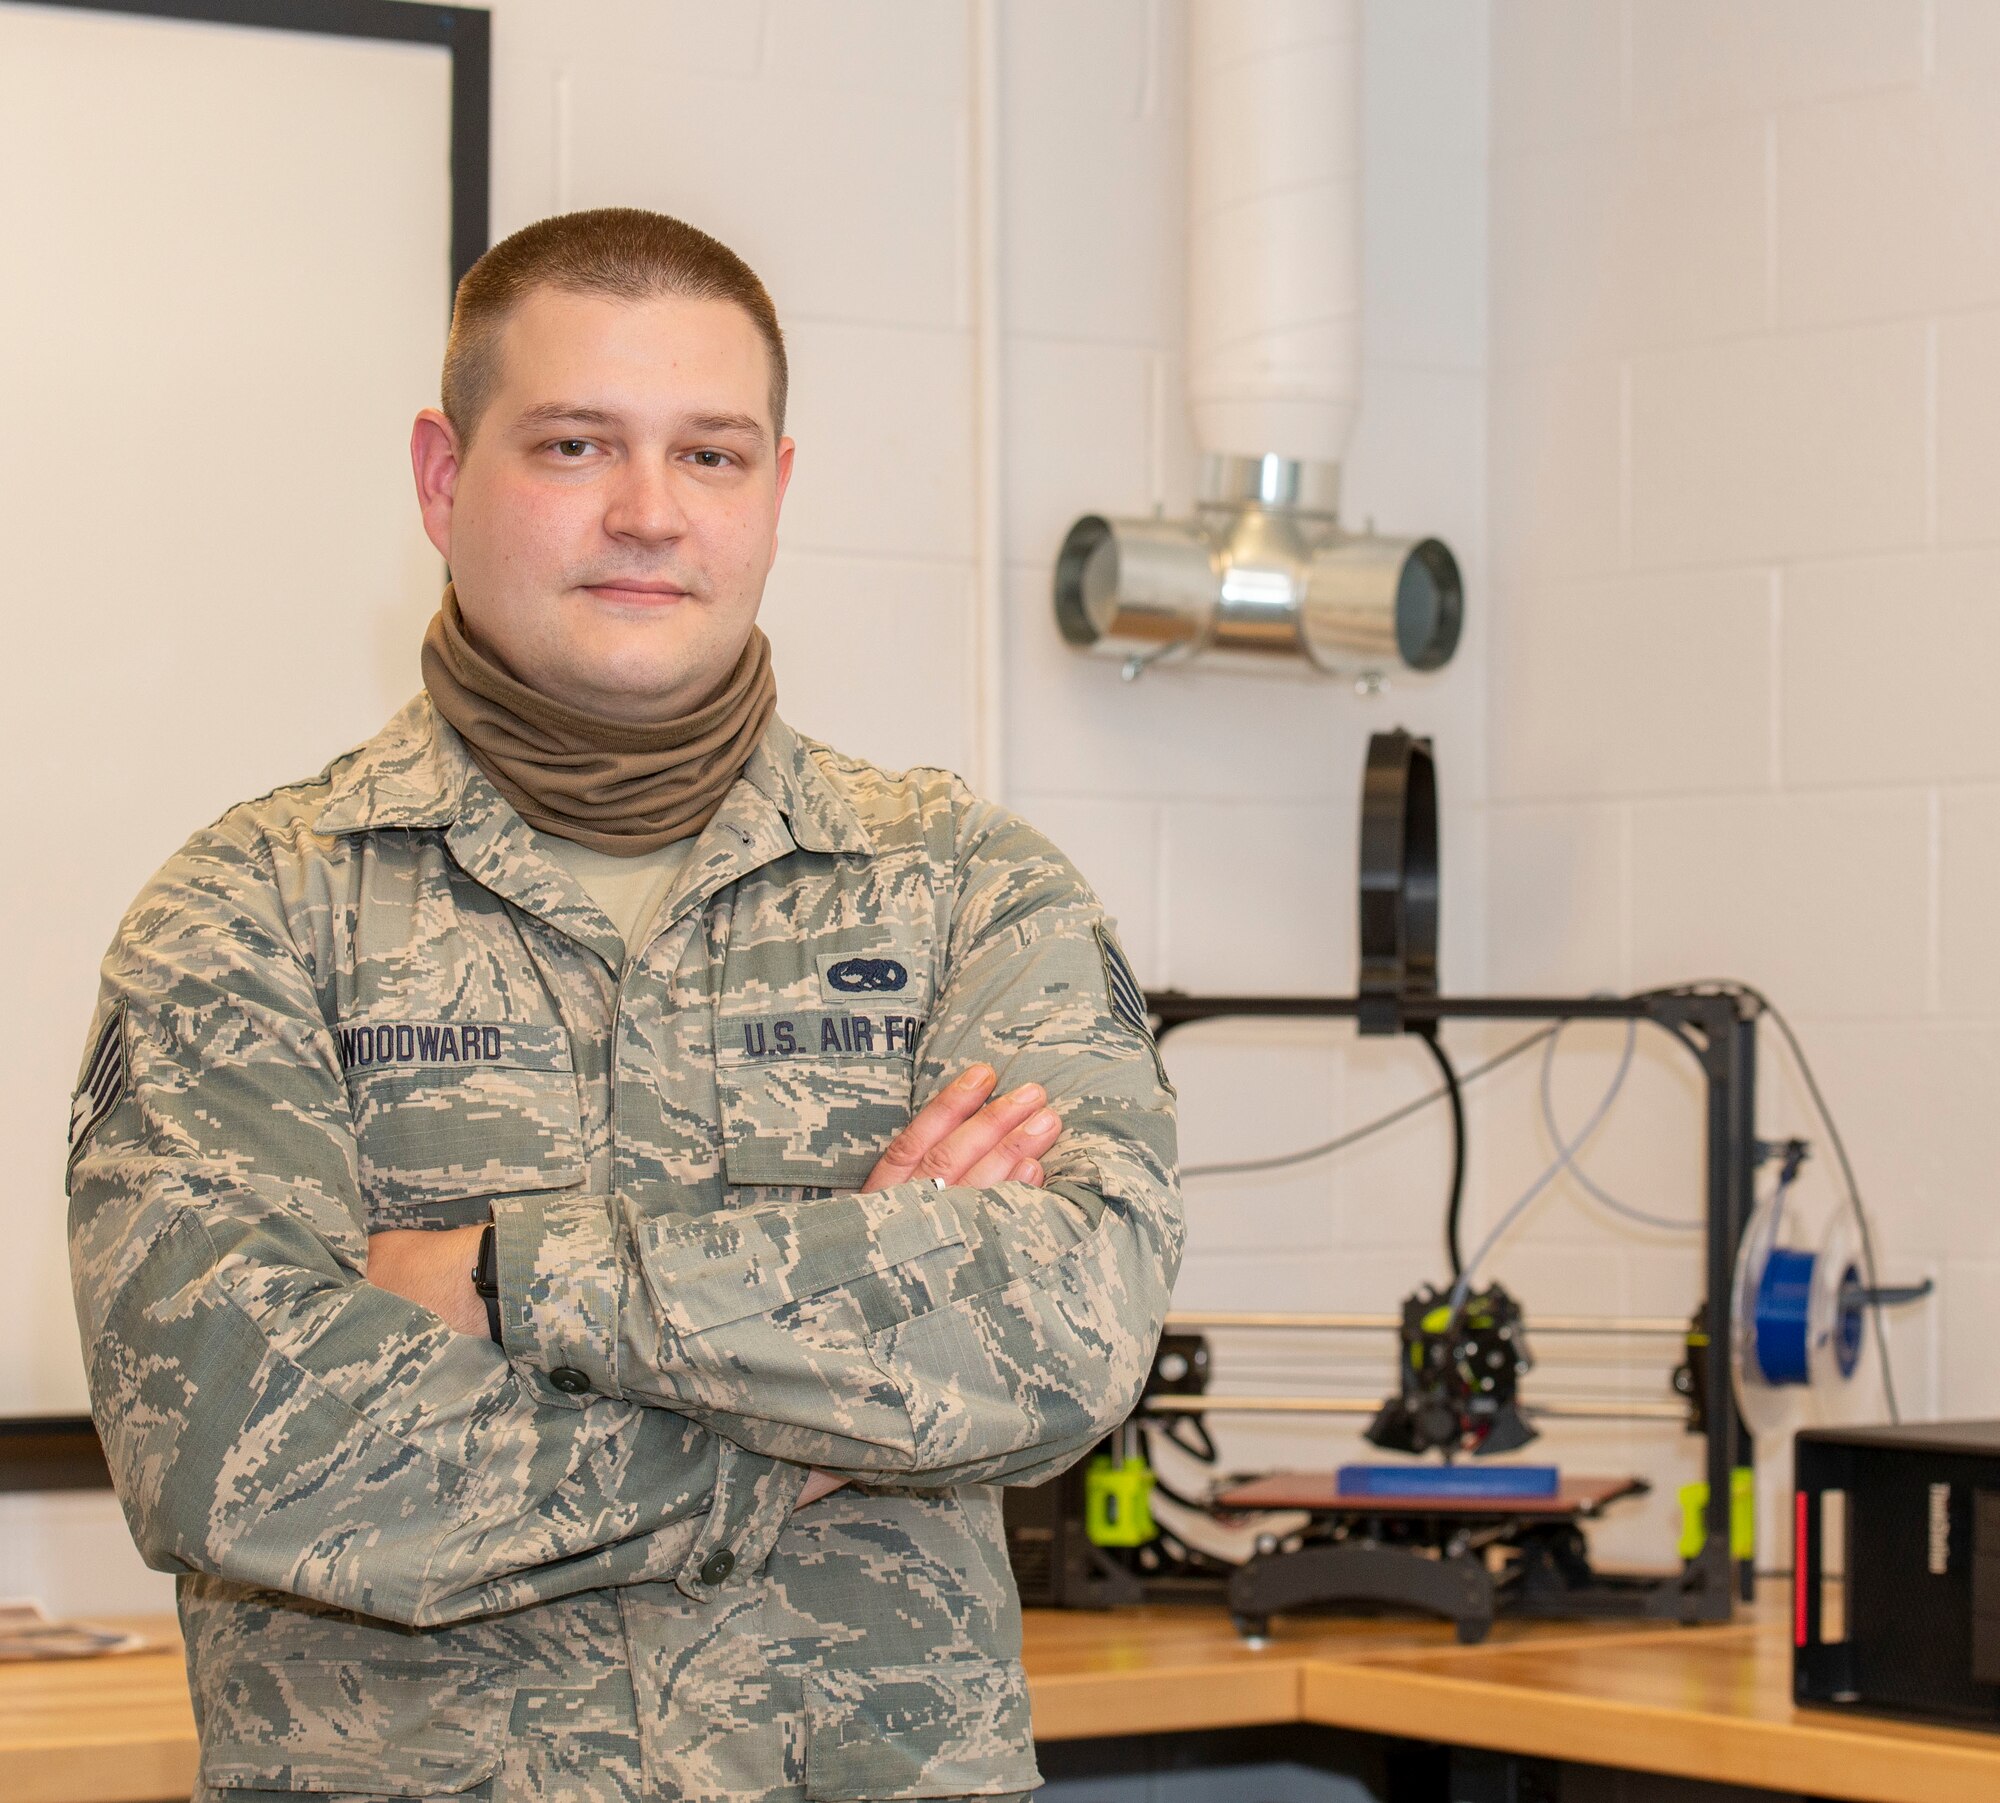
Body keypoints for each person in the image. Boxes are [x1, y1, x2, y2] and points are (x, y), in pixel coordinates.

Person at [66, 207, 1182, 1802]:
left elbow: (1068, 1328)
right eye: (578, 444)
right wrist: (810, 1432)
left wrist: (512, 1282)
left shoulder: (966, 892)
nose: (650, 513)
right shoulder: (249, 914)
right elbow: (233, 1443)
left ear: (778, 492)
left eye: (712, 456)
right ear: (445, 480)